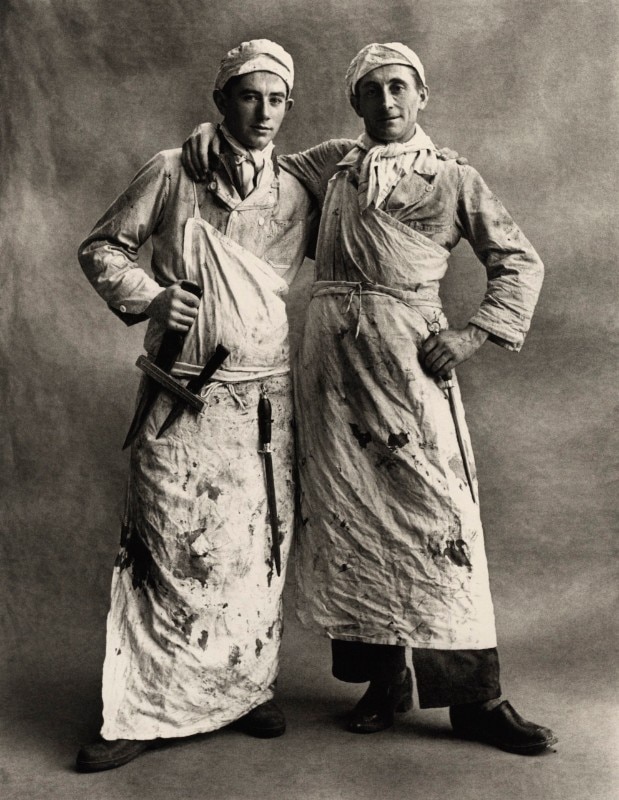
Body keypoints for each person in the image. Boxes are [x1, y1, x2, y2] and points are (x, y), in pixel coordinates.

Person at [182, 42, 557, 755]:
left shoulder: (451, 177)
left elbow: (517, 261)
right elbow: (256, 169)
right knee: (348, 515)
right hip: (331, 366)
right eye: (372, 90)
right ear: (354, 101)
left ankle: (474, 700)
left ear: (421, 96)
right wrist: (208, 135)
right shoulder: (331, 165)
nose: (387, 101)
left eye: (399, 87)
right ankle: (385, 683)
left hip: (406, 365)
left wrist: (472, 335)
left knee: (439, 518)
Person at [75, 39, 319, 772]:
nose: (263, 113)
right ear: (221, 100)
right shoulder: (173, 170)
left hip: (265, 402)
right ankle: (145, 708)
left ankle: (242, 690)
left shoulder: (297, 190)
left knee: (255, 549)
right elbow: (102, 248)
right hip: (184, 394)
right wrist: (152, 296)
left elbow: (364, 184)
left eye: (276, 100)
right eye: (248, 97)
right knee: (172, 545)